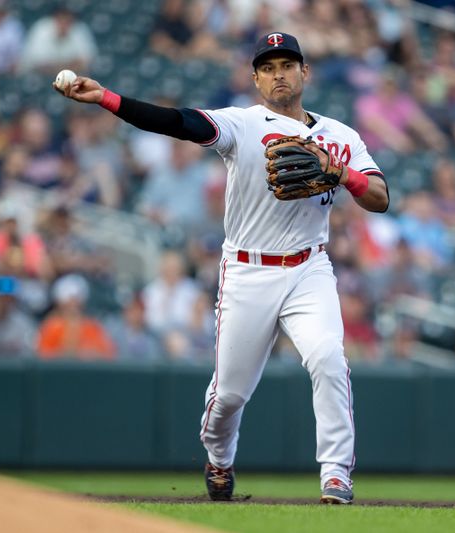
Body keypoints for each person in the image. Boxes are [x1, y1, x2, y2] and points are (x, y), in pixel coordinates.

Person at [56, 32, 389, 505]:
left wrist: (342, 173)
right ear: (255, 78)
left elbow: (380, 198)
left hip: (310, 267)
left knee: (330, 359)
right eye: (268, 67)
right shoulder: (243, 123)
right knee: (229, 397)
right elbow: (179, 122)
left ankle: (335, 474)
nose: (279, 74)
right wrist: (109, 99)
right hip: (248, 271)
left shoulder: (341, 136)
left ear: (305, 72)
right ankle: (219, 458)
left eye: (287, 65)